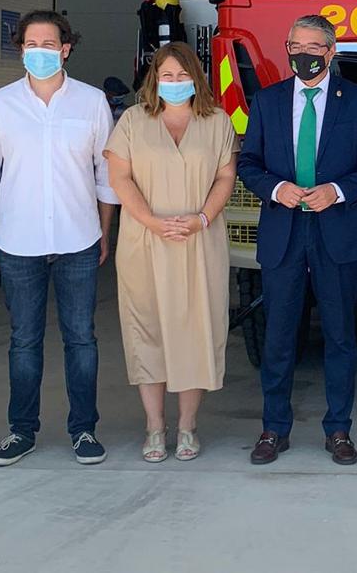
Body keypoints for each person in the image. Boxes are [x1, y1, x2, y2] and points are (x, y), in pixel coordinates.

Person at [0, 10, 120, 467]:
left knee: (81, 339)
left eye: (48, 44)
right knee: (24, 341)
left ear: (66, 48)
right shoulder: (2, 103)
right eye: (30, 45)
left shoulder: (92, 102)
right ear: (21, 49)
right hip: (17, 241)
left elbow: (106, 174)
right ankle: (21, 430)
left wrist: (104, 233)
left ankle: (84, 430)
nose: (39, 52)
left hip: (78, 239)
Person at [238, 14, 357, 466]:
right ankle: (273, 429)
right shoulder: (267, 101)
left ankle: (339, 430)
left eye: (311, 47)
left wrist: (337, 190)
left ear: (330, 51)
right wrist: (277, 189)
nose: (301, 55)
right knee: (279, 337)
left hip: (336, 231)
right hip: (284, 231)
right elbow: (248, 163)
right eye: (294, 46)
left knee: (340, 337)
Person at [105, 42, 238, 462]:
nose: (175, 83)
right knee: (148, 332)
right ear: (154, 79)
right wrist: (151, 221)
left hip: (200, 240)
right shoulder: (132, 120)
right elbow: (120, 178)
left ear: (195, 78)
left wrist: (200, 218)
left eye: (183, 76)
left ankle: (187, 428)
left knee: (197, 330)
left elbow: (225, 176)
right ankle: (154, 427)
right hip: (145, 240)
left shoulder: (216, 121)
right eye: (167, 76)